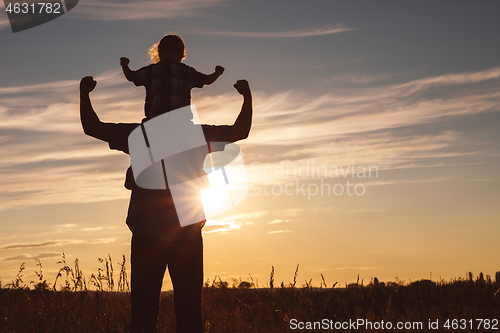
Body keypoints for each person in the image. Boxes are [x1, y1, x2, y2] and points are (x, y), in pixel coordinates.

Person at [79, 75, 252, 333]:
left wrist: (85, 94)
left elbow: (93, 127)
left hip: (148, 231)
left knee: (144, 314)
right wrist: (247, 97)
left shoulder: (139, 134)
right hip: (186, 233)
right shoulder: (196, 134)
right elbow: (240, 131)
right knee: (189, 312)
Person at [120, 33, 225, 119]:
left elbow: (131, 76)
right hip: (182, 125)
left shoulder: (152, 70)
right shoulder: (187, 71)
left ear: (159, 52)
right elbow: (207, 80)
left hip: (154, 124)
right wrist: (217, 72)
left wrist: (124, 64)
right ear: (181, 54)